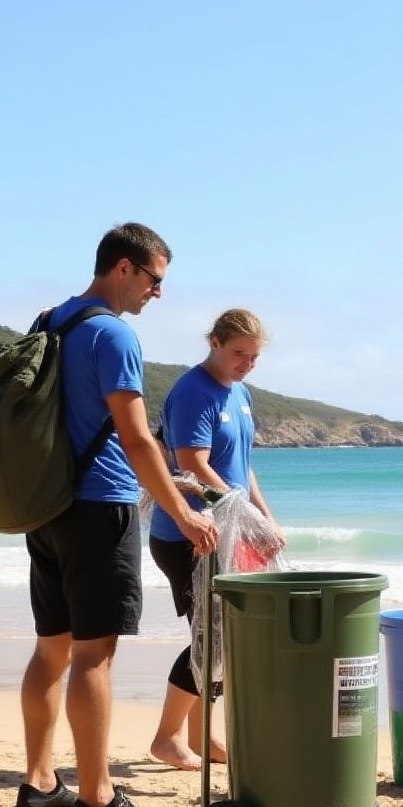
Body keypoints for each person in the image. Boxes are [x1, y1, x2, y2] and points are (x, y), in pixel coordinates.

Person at [10, 222, 218, 807]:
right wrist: (181, 513)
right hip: (100, 510)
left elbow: (91, 428)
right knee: (94, 656)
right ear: (123, 269)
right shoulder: (114, 335)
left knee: (52, 649)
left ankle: (39, 782)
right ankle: (97, 797)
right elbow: (130, 436)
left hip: (47, 506)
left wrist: (168, 481)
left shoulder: (53, 320)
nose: (158, 293)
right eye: (155, 279)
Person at [148, 308, 285, 771]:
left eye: (254, 356)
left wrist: (265, 517)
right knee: (212, 638)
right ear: (214, 343)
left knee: (223, 636)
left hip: (229, 530)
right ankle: (168, 738)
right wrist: (243, 513)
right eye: (238, 354)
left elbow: (242, 465)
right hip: (189, 533)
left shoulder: (239, 393)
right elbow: (193, 465)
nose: (245, 363)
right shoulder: (194, 392)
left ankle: (200, 737)